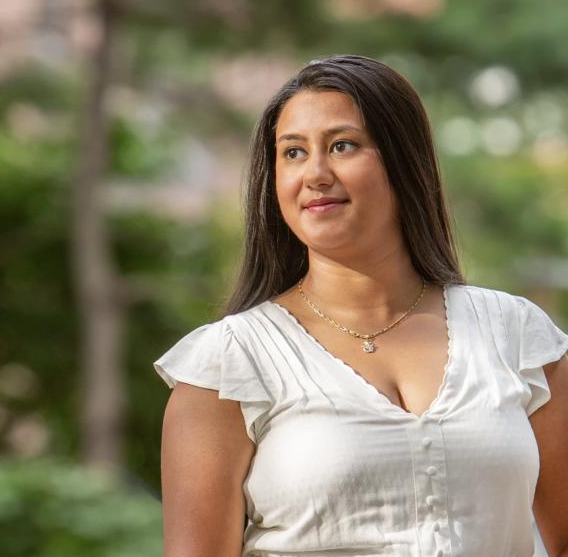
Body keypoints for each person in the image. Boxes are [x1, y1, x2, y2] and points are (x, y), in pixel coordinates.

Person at [152, 55, 568, 557]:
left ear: (402, 159)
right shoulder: (227, 364)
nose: (316, 173)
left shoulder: (516, 336)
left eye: (342, 146)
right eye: (293, 153)